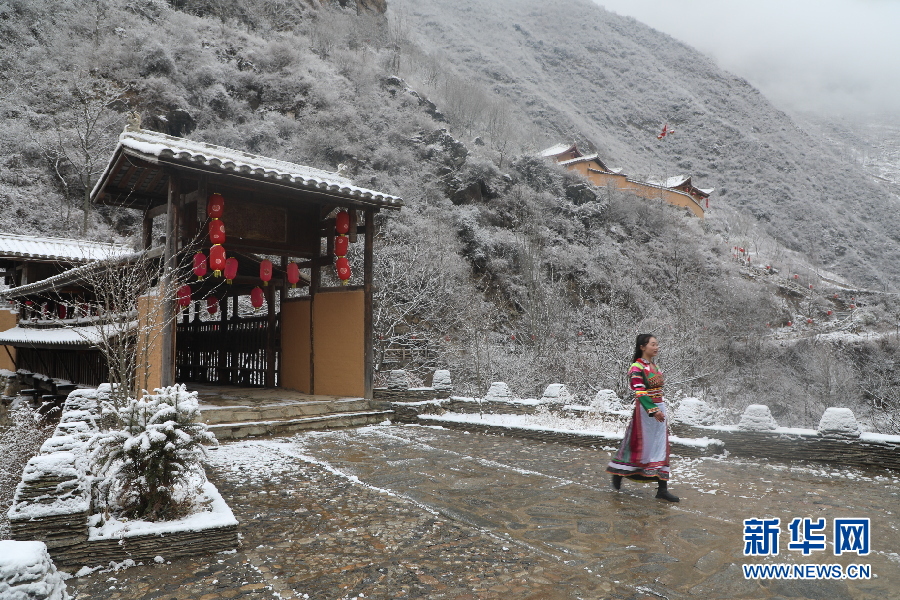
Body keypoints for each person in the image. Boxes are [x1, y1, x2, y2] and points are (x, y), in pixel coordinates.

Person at [606, 333, 679, 502]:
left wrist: (660, 410)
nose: (656, 347)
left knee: (660, 446)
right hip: (646, 412)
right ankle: (619, 473)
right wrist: (653, 411)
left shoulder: (655, 367)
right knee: (642, 447)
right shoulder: (636, 368)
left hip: (659, 408)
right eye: (653, 344)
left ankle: (662, 488)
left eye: (657, 344)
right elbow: (639, 392)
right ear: (642, 347)